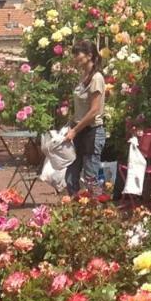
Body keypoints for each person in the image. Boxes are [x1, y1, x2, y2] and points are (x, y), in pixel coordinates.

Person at [63, 40, 106, 196]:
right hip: (78, 130)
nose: (75, 58)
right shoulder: (84, 76)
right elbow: (80, 108)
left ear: (89, 55)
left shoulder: (96, 78)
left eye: (77, 54)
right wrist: (70, 126)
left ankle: (97, 211)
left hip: (92, 132)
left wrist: (75, 130)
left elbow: (94, 111)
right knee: (71, 176)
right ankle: (75, 210)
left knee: (91, 178)